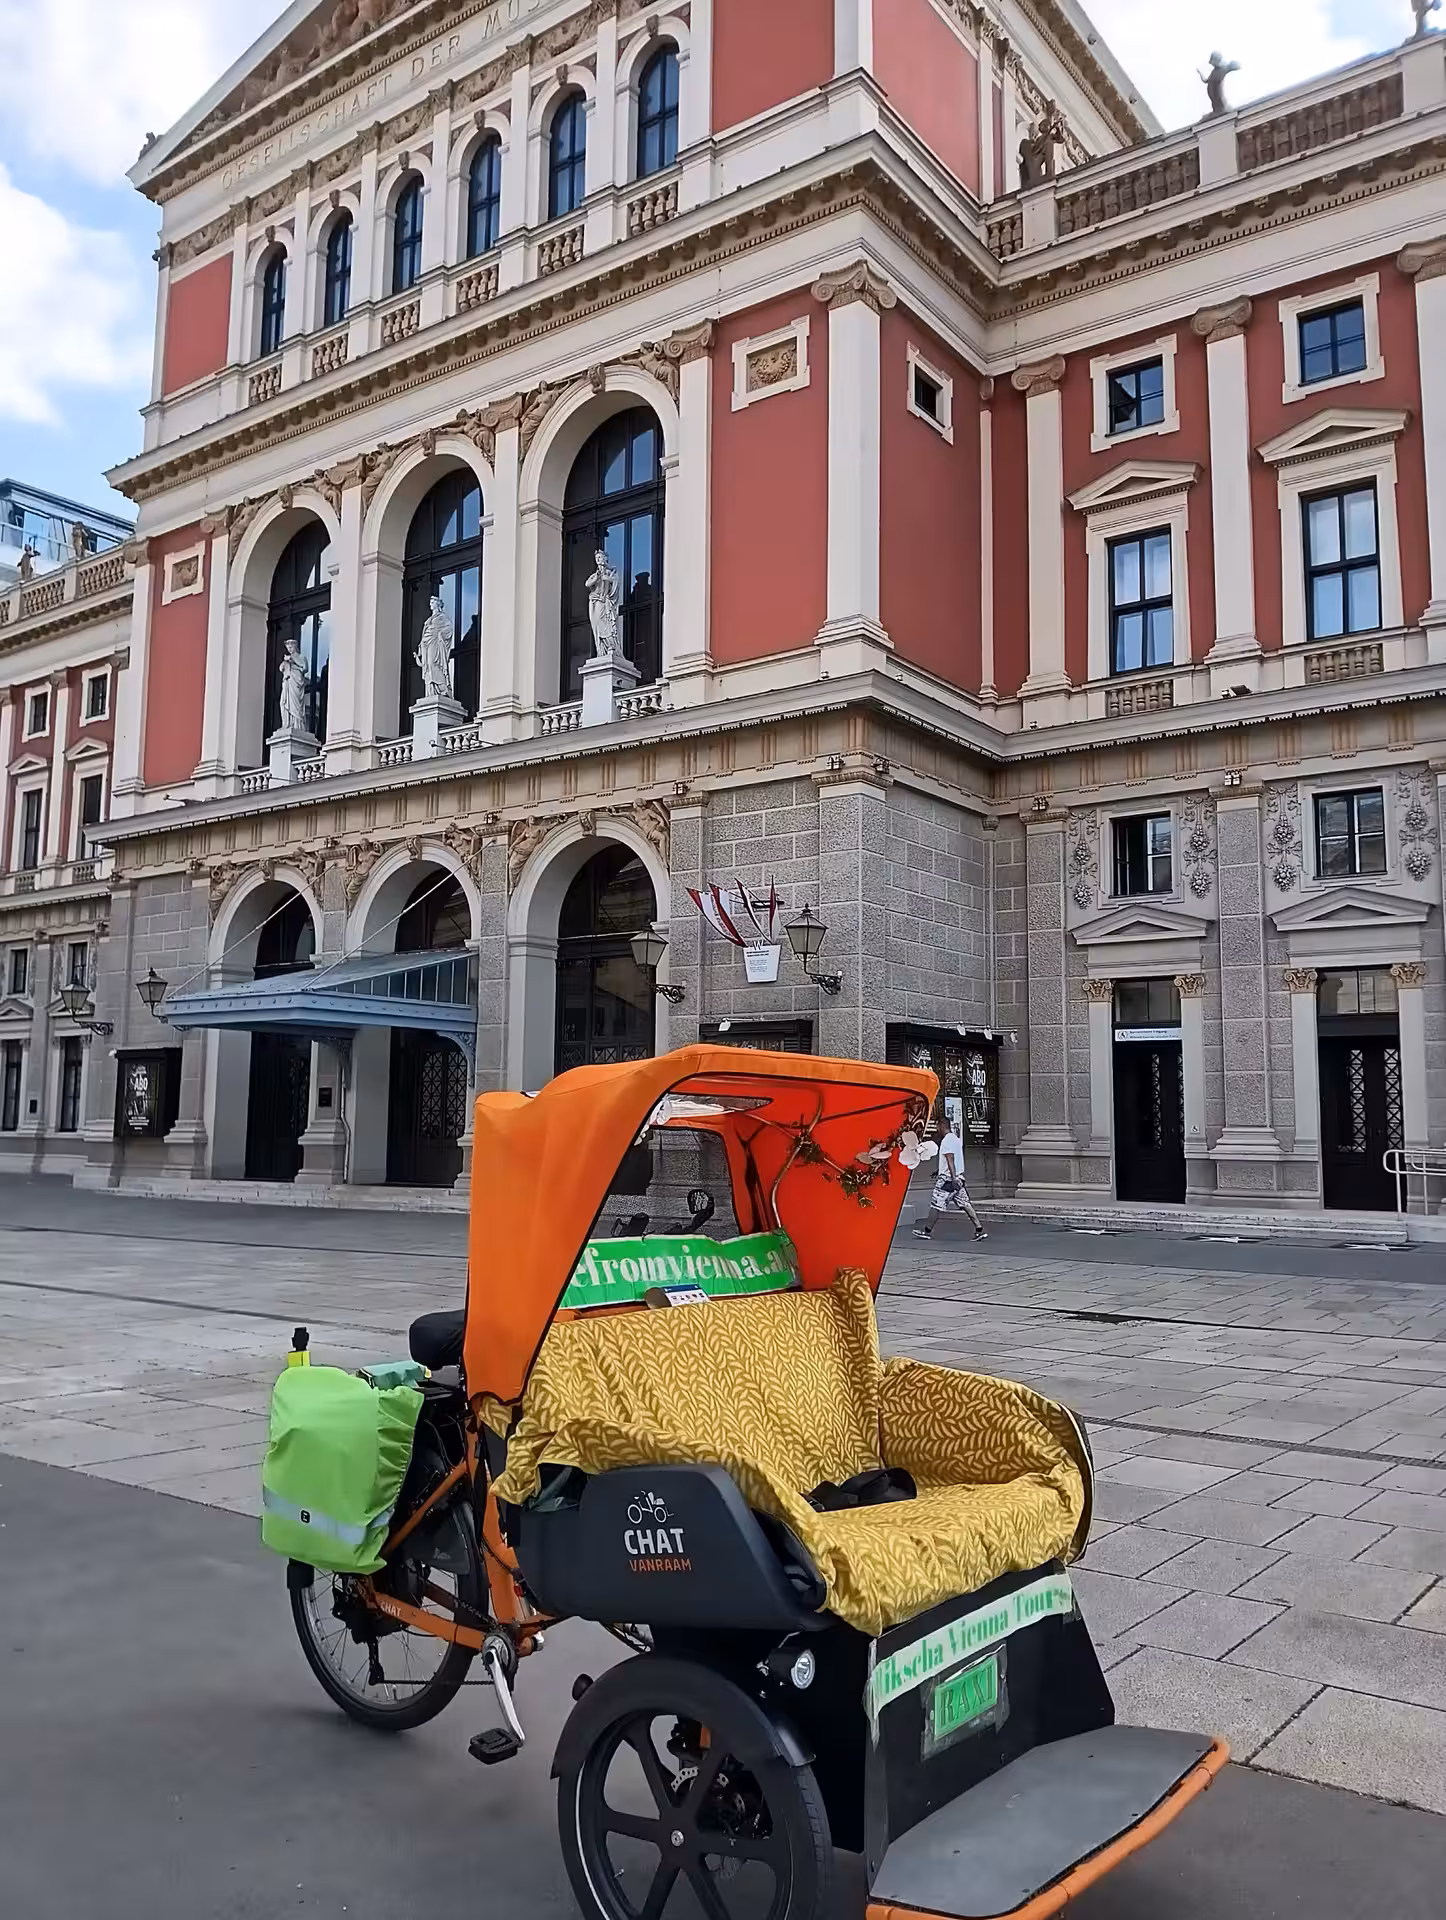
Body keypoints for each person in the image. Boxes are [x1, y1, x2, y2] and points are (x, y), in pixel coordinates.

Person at [914, 1124, 987, 1241]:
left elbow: (950, 1159)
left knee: (936, 1205)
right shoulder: (956, 1139)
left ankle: (926, 1231)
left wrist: (952, 1178)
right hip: (959, 1178)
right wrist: (941, 1171)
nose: (937, 1130)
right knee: (965, 1204)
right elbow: (953, 1160)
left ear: (941, 1126)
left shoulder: (946, 1141)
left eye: (937, 1127)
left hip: (948, 1180)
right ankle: (979, 1229)